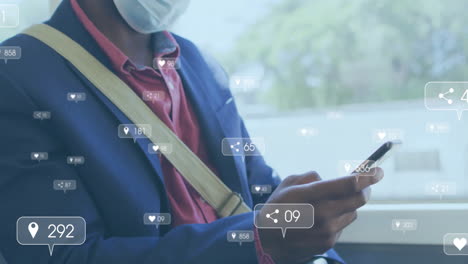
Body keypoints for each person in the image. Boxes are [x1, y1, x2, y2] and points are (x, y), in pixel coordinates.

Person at [0, 0, 383, 263]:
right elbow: (62, 256)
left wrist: (310, 238)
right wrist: (258, 241)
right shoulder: (16, 78)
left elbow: (259, 190)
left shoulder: (196, 64)